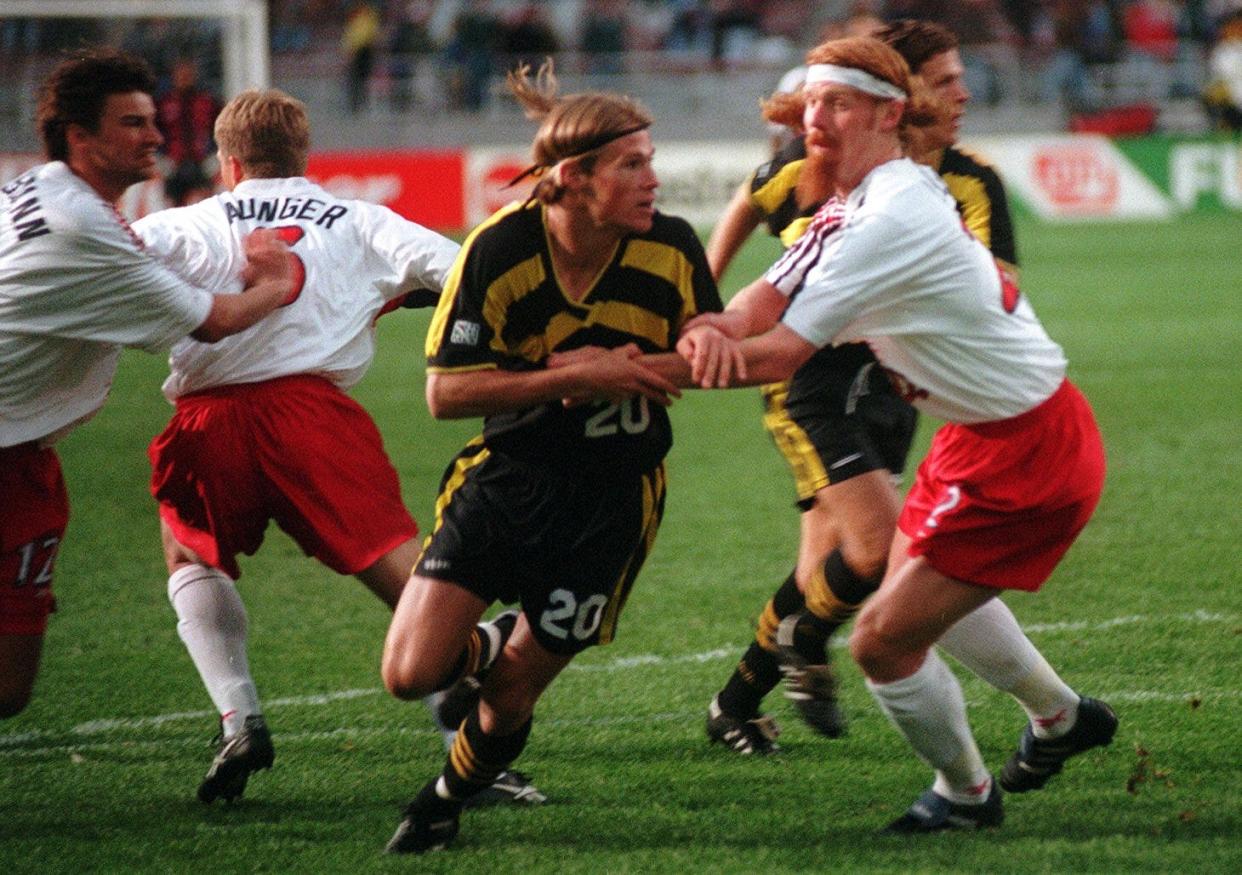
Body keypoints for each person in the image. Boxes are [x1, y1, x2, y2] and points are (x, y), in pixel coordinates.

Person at [675, 35, 1116, 831]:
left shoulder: (891, 215)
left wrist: (640, 369)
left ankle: (965, 795)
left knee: (881, 642)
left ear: (886, 112)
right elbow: (767, 294)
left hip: (1032, 450)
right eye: (810, 103)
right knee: (908, 585)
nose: (815, 119)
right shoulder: (864, 198)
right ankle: (1061, 718)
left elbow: (777, 353)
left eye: (836, 102)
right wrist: (708, 324)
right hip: (984, 435)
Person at [132, 87, 543, 808]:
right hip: (312, 417)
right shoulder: (357, 218)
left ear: (229, 163)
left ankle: (240, 717)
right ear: (305, 153)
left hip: (207, 418)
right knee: (408, 582)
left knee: (188, 554)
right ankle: (471, 741)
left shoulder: (183, 223)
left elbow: (109, 274)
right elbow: (461, 270)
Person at [379, 60, 720, 853]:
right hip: (507, 483)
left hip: (613, 502)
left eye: (650, 160)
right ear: (572, 177)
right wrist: (574, 373)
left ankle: (443, 797)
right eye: (631, 163)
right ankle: (493, 636)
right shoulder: (497, 250)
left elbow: (709, 346)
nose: (652, 179)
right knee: (411, 674)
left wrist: (691, 345)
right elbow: (446, 393)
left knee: (510, 694)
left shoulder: (670, 246)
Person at [701, 18, 1027, 757]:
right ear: (902, 93)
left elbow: (994, 283)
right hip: (813, 378)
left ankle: (740, 697)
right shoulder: (826, 171)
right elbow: (752, 207)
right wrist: (705, 301)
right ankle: (791, 656)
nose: (962, 92)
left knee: (832, 562)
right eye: (944, 79)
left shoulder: (965, 180)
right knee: (860, 552)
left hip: (892, 379)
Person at [0, 49, 292, 720]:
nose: (156, 136)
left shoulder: (35, 187)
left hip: (23, 452)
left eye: (153, 119)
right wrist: (276, 285)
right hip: (9, 455)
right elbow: (214, 322)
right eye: (133, 123)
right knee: (8, 685)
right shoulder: (85, 229)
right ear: (80, 138)